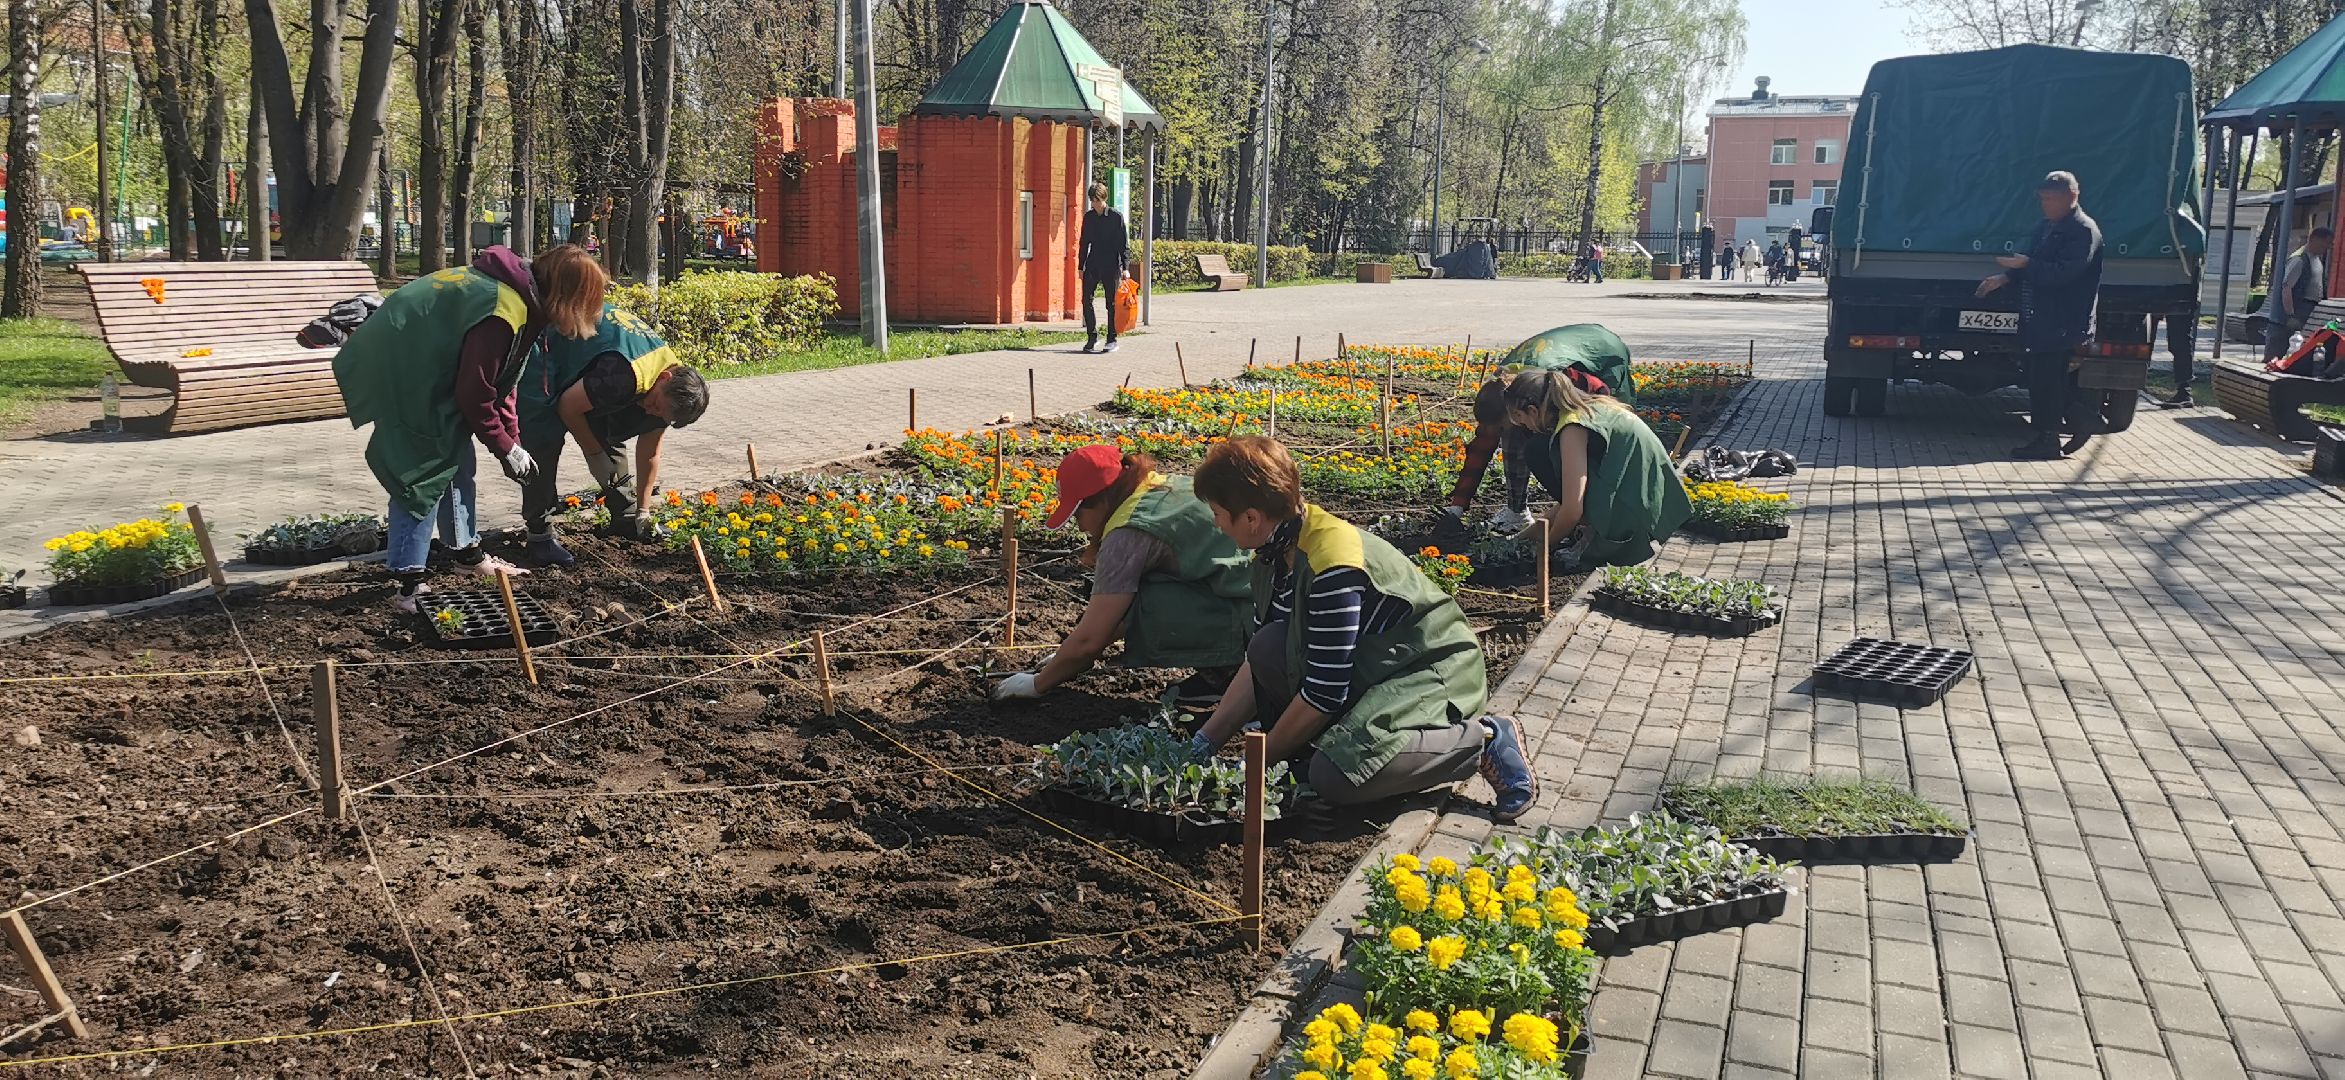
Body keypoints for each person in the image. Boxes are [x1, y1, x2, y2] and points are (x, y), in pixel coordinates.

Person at [1186, 437, 1539, 820]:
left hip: (1428, 669)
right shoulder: (1274, 552)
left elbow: (1324, 693)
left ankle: (1483, 740)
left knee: (1334, 778)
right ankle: (1344, 745)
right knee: (1268, 647)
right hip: (1377, 665)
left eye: (1219, 513)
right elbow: (1261, 661)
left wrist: (1255, 764)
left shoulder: (1332, 566)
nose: (1217, 524)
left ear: (1252, 518)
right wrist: (1205, 741)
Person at [334, 244, 608, 611]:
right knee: (421, 474)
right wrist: (502, 445)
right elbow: (475, 393)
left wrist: (511, 440)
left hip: (428, 369)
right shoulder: (502, 310)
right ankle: (407, 584)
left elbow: (502, 382)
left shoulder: (519, 298)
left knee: (456, 458)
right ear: (565, 293)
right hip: (405, 372)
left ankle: (467, 556)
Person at [991, 445, 1253, 706]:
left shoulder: (1126, 534)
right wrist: (1064, 659)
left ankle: (1230, 675)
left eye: (1079, 513)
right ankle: (1229, 674)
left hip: (1251, 623)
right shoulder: (1161, 487)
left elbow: (1092, 638)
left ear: (1103, 499)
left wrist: (1037, 685)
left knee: (1147, 600)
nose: (1080, 526)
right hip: (1268, 609)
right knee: (1143, 592)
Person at [515, 304, 713, 567]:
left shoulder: (672, 388)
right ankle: (539, 535)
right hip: (548, 347)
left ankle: (628, 517)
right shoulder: (624, 376)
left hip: (597, 365)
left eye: (662, 414)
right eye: (656, 404)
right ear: (664, 378)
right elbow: (568, 407)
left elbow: (650, 451)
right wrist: (594, 454)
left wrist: (645, 511)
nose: (654, 411)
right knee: (544, 436)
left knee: (619, 423)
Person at [1437, 325, 1636, 535]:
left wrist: (1569, 511)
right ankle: (1517, 511)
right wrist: (1457, 507)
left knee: (1574, 452)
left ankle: (1598, 521)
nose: (1499, 436)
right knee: (1525, 442)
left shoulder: (1558, 384)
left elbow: (1604, 403)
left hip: (1604, 352)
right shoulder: (1500, 392)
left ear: (1520, 411)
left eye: (1502, 428)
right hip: (1556, 361)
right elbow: (1481, 449)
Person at [1498, 368, 1690, 568]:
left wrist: (1541, 548)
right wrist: (1519, 540)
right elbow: (1569, 501)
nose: (1524, 426)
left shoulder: (1573, 428)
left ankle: (1596, 537)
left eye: (1521, 418)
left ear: (1533, 411)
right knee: (1542, 448)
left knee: (1537, 451)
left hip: (1634, 519)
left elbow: (1572, 509)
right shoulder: (1592, 407)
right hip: (1653, 504)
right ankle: (1593, 531)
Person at [1976, 170, 2103, 460]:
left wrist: (2026, 264)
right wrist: (2006, 277)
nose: (2045, 204)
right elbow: (2034, 263)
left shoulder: (2082, 230)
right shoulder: (2048, 226)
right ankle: (2080, 418)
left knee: (2047, 378)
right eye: (2043, 199)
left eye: (2051, 199)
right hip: (2042, 315)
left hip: (2063, 318)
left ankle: (2050, 439)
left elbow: (2061, 274)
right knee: (2041, 378)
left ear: (2072, 196)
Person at [2262, 226, 2331, 364]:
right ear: (2315, 240)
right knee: (2278, 349)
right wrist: (2291, 314)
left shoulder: (2316, 260)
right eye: (2326, 243)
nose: (2327, 247)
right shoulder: (2299, 259)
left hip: (2308, 310)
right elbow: (2287, 287)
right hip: (2295, 310)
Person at [1077, 182, 1129, 354]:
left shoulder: (1116, 217)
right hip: (1093, 263)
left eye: (1098, 201)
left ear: (1104, 199)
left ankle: (1112, 338)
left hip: (1112, 264)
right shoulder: (1089, 217)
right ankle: (1092, 337)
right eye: (1092, 201)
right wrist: (1081, 265)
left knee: (1111, 303)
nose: (1095, 205)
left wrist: (1125, 267)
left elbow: (1123, 245)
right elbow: (1084, 242)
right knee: (1086, 299)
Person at [2155, 303, 2201, 408]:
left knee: (2180, 343)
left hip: (2181, 301)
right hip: (2176, 299)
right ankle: (2184, 390)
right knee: (2176, 343)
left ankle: (2185, 391)